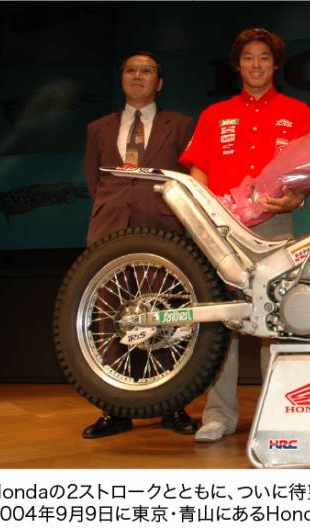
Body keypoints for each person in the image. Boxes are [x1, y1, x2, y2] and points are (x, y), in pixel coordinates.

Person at [178, 28, 310, 442]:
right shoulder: (214, 115)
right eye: (248, 58)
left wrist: (295, 198)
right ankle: (219, 414)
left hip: (275, 228)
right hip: (222, 233)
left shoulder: (299, 113)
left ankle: (279, 413)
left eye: (264, 58)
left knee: (276, 320)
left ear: (275, 65)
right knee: (223, 322)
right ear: (237, 65)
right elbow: (198, 169)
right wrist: (207, 213)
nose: (256, 64)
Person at [80, 51, 198, 439]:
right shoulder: (98, 128)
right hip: (109, 231)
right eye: (130, 70)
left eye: (146, 71)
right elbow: (95, 182)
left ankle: (171, 404)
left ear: (158, 82)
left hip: (161, 229)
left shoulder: (180, 124)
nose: (137, 75)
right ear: (122, 79)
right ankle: (115, 408)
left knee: (165, 314)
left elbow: (188, 178)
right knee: (111, 315)